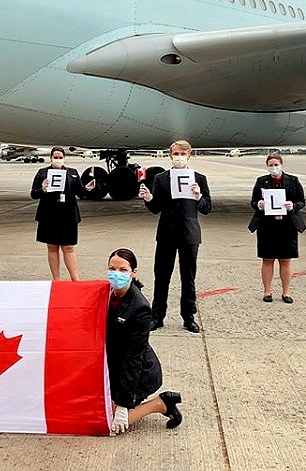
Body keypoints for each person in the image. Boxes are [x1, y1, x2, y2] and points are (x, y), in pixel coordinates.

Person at [106, 248, 183, 434]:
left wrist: (124, 403)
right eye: (111, 269)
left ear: (134, 273)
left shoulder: (139, 308)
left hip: (140, 374)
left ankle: (162, 403)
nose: (116, 274)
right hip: (115, 368)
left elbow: (134, 358)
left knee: (108, 425)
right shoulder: (105, 293)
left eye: (123, 270)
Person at [138, 140, 211, 333]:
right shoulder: (161, 178)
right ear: (170, 156)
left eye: (182, 154)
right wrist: (149, 199)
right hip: (166, 233)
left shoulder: (199, 178)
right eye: (175, 154)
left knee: (188, 278)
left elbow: (207, 208)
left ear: (189, 155)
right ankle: (157, 316)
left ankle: (188, 317)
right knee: (161, 277)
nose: (179, 157)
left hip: (189, 233)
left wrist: (198, 197)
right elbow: (156, 208)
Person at [247, 153, 306, 304]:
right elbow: (253, 202)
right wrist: (258, 204)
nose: (273, 168)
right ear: (267, 166)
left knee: (285, 260)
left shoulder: (293, 181)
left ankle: (286, 292)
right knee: (267, 259)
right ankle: (267, 291)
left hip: (287, 225)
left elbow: (301, 201)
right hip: (267, 225)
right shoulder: (261, 181)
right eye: (271, 165)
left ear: (281, 164)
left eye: (276, 164)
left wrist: (293, 206)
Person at [30, 146, 95, 281]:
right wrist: (42, 189)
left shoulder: (72, 172)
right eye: (55, 157)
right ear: (51, 158)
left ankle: (75, 278)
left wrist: (87, 189)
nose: (58, 160)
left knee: (68, 247)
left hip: (68, 214)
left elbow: (80, 192)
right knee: (52, 247)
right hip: (49, 214)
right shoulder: (42, 173)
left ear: (64, 158)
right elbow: (33, 194)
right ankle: (57, 278)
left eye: (60, 157)